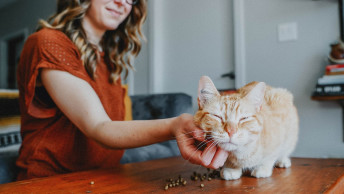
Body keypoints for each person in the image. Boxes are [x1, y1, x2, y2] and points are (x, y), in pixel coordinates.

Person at [16, 0, 228, 180]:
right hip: (52, 180)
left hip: (106, 176)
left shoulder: (110, 60)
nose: (123, 3)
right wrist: (175, 125)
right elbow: (99, 126)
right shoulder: (48, 42)